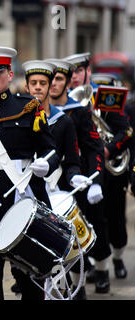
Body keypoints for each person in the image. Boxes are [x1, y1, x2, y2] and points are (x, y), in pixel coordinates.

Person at [0, 47, 60, 300]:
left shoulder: (28, 107)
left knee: (30, 279)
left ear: (9, 74)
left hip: (21, 201)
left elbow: (51, 151)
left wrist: (45, 165)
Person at [49, 56, 110, 298]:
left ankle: (100, 271)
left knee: (88, 230)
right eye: (49, 79)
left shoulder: (79, 112)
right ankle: (69, 283)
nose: (53, 84)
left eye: (59, 79)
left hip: (79, 178)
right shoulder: (34, 111)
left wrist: (94, 181)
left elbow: (94, 147)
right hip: (50, 180)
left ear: (66, 83)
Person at [90, 72, 133, 281]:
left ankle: (117, 257)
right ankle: (97, 265)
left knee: (115, 218)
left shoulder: (109, 98)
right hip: (88, 170)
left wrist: (107, 150)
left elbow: (126, 132)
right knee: (94, 219)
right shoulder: (75, 99)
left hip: (112, 171)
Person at [22, 59, 85, 194]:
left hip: (55, 189)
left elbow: (72, 161)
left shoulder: (64, 121)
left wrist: (73, 177)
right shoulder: (16, 118)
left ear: (49, 87)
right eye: (33, 83)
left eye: (43, 83)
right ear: (26, 87)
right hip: (20, 187)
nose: (38, 87)